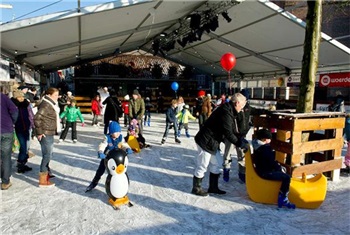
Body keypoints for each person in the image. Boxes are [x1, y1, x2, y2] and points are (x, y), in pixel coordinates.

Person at [191, 93, 249, 196]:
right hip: (205, 141)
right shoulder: (226, 111)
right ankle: (196, 188)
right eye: (242, 105)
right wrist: (239, 143)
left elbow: (231, 130)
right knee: (203, 165)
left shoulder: (230, 110)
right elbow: (228, 132)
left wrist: (240, 138)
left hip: (213, 142)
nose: (242, 108)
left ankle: (213, 187)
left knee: (217, 163)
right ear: (237, 103)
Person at [222, 89, 271, 182]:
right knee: (228, 154)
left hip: (242, 135)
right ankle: (226, 170)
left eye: (246, 99)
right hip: (231, 136)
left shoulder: (248, 108)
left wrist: (267, 111)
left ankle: (242, 173)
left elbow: (257, 111)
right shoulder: (234, 108)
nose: (245, 101)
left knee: (242, 156)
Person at [252, 129, 296, 209]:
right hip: (266, 172)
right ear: (265, 140)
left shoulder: (257, 146)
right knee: (286, 177)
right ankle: (283, 198)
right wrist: (279, 168)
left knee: (282, 174)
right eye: (269, 139)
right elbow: (271, 163)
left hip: (262, 169)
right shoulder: (265, 149)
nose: (270, 140)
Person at [85, 121, 133, 192]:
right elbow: (103, 145)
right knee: (100, 170)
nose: (118, 133)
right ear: (111, 132)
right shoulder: (107, 138)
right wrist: (100, 151)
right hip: (107, 158)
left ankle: (123, 184)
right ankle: (94, 182)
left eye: (119, 131)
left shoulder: (120, 137)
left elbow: (124, 144)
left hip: (117, 159)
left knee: (121, 171)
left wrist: (128, 148)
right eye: (116, 132)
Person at [34, 87, 60, 187]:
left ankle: (47, 173)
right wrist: (40, 132)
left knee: (48, 154)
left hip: (49, 132)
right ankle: (43, 180)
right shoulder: (46, 105)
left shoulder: (51, 104)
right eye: (55, 95)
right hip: (45, 133)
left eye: (58, 95)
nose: (57, 97)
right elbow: (36, 118)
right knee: (47, 155)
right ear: (49, 95)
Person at [11, 90, 34, 173]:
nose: (22, 98)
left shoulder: (26, 104)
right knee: (23, 147)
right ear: (15, 97)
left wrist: (32, 125)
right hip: (18, 128)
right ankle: (20, 165)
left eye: (22, 96)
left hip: (27, 127)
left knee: (25, 147)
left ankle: (23, 163)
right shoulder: (12, 105)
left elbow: (31, 114)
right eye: (19, 97)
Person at [1, 91, 18, 190]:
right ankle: (5, 181)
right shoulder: (4, 98)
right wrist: (12, 122)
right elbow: (14, 111)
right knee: (6, 156)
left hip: (6, 129)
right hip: (6, 130)